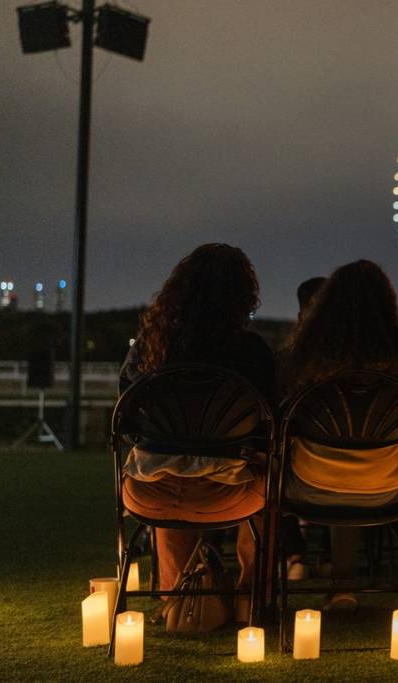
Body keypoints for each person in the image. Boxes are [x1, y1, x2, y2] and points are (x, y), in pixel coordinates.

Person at [119, 243, 275, 622]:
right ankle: (249, 599)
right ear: (243, 295)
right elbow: (271, 426)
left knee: (167, 464)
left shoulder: (149, 351)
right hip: (229, 496)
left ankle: (176, 600)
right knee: (272, 477)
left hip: (148, 494)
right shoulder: (251, 352)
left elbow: (125, 422)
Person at [280, 260, 398, 611]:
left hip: (311, 485)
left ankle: (273, 578)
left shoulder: (305, 361)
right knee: (359, 474)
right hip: (387, 486)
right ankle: (346, 582)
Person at [281, 275, 329, 582]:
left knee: (271, 470)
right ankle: (331, 557)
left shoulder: (290, 362)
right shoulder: (370, 364)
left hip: (304, 469)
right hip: (377, 476)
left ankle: (293, 553)